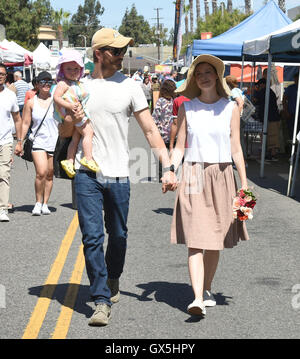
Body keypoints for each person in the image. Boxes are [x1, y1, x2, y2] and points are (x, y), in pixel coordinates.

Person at [58, 28, 176, 326]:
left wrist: (168, 167)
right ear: (98, 53)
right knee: (92, 237)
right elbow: (64, 132)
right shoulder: (79, 87)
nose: (122, 56)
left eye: (124, 51)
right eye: (116, 51)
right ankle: (99, 300)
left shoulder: (131, 87)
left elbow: (150, 130)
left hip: (119, 173)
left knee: (119, 235)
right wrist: (70, 118)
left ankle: (113, 277)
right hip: (87, 173)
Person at [164, 55, 249, 317]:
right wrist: (170, 170)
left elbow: (236, 149)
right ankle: (197, 298)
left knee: (213, 240)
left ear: (217, 76)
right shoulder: (187, 108)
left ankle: (207, 287)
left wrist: (245, 186)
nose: (203, 76)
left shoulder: (230, 108)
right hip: (192, 173)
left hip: (222, 175)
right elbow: (180, 146)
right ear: (193, 79)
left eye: (208, 72)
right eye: (198, 72)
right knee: (195, 239)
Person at [53, 49, 99, 178]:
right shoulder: (63, 83)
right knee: (88, 133)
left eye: (76, 69)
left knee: (76, 138)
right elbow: (56, 98)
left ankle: (69, 160)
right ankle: (88, 158)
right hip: (75, 113)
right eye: (69, 69)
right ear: (62, 69)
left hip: (76, 114)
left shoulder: (76, 83)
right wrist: (69, 105)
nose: (73, 72)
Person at [20, 71, 58, 216]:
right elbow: (25, 123)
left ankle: (45, 203)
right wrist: (19, 141)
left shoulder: (56, 100)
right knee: (41, 173)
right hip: (38, 141)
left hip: (55, 141)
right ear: (37, 84)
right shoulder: (31, 102)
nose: (47, 84)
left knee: (49, 174)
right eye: (43, 82)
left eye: (49, 82)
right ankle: (37, 202)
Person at [0, 63, 22, 222]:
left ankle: (2, 209)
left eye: (2, 73)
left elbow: (17, 119)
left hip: (5, 141)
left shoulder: (10, 95)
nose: (0, 76)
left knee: (3, 174)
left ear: (6, 76)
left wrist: (19, 141)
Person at [152, 79, 177, 180]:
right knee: (170, 154)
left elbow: (155, 116)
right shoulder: (173, 101)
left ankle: (163, 175)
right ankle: (168, 173)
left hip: (164, 132)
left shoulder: (161, 101)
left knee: (163, 155)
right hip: (171, 132)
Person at [253, 78, 280, 160]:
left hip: (270, 117)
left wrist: (256, 91)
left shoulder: (263, 91)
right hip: (272, 117)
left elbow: (255, 101)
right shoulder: (270, 92)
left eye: (259, 85)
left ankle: (273, 155)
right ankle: (272, 154)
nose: (258, 86)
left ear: (263, 84)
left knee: (271, 136)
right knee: (272, 136)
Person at [283, 72, 300, 141]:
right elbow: (284, 100)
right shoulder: (291, 88)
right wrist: (286, 112)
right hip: (292, 114)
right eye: (295, 79)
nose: (296, 80)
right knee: (292, 132)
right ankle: (292, 149)